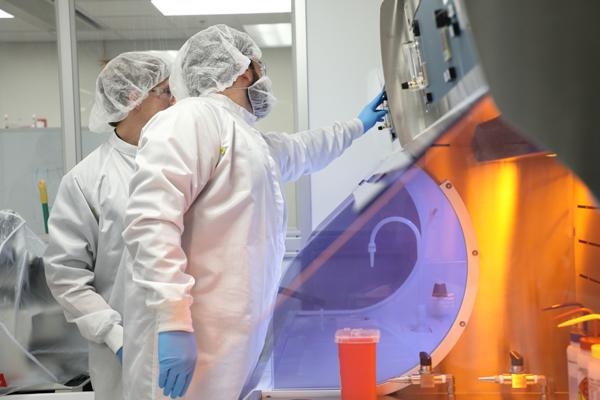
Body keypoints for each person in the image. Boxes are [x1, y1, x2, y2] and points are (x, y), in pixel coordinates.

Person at [121, 24, 387, 400]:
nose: (265, 76)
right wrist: (172, 322)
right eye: (260, 66)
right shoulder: (192, 118)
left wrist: (357, 126)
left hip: (231, 344)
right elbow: (151, 222)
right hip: (193, 340)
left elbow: (303, 150)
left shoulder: (245, 137)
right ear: (244, 69)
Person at [43, 51, 174, 400]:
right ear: (133, 98)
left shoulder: (187, 165)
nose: (175, 100)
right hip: (122, 356)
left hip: (193, 344)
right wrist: (115, 336)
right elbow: (66, 275)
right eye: (164, 91)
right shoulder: (86, 180)